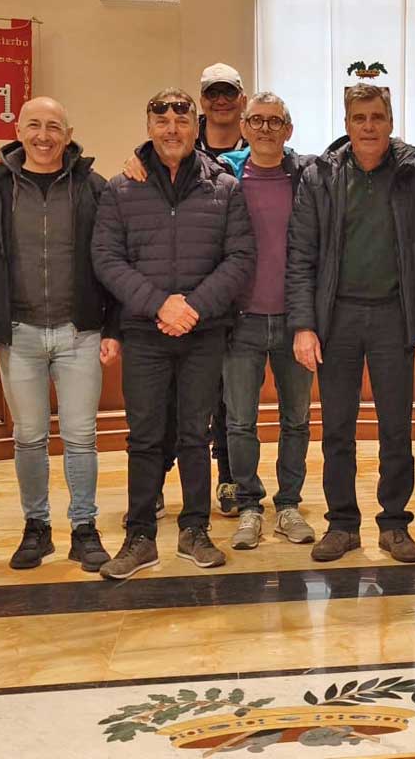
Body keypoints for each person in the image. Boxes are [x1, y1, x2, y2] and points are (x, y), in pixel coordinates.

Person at [92, 87, 255, 579]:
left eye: (181, 122)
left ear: (195, 126)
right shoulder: (121, 188)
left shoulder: (224, 188)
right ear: (149, 127)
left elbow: (240, 257)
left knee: (194, 435)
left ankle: (195, 530)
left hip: (203, 331)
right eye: (161, 121)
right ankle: (140, 537)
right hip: (145, 331)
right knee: (144, 437)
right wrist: (159, 303)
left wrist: (193, 307)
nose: (171, 130)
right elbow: (106, 258)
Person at [286, 83, 415, 563]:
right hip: (338, 319)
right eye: (359, 118)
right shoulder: (320, 177)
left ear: (391, 122)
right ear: (346, 124)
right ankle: (342, 524)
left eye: (377, 117)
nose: (369, 126)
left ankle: (395, 524)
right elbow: (301, 255)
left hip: (394, 316)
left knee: (396, 428)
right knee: (337, 429)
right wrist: (304, 323)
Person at [0, 96, 121, 573]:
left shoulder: (92, 187)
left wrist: (113, 327)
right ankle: (36, 528)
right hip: (19, 335)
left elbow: (113, 258)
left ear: (68, 135)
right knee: (29, 438)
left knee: (81, 437)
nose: (43, 135)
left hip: (79, 333)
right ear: (18, 130)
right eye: (34, 125)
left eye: (54, 127)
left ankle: (84, 528)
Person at [217, 92, 318, 550]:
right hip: (241, 322)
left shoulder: (307, 178)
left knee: (296, 420)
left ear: (288, 130)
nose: (264, 128)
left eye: (274, 121)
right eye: (256, 120)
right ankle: (250, 506)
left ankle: (289, 504)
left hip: (297, 320)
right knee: (240, 422)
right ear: (243, 126)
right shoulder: (224, 177)